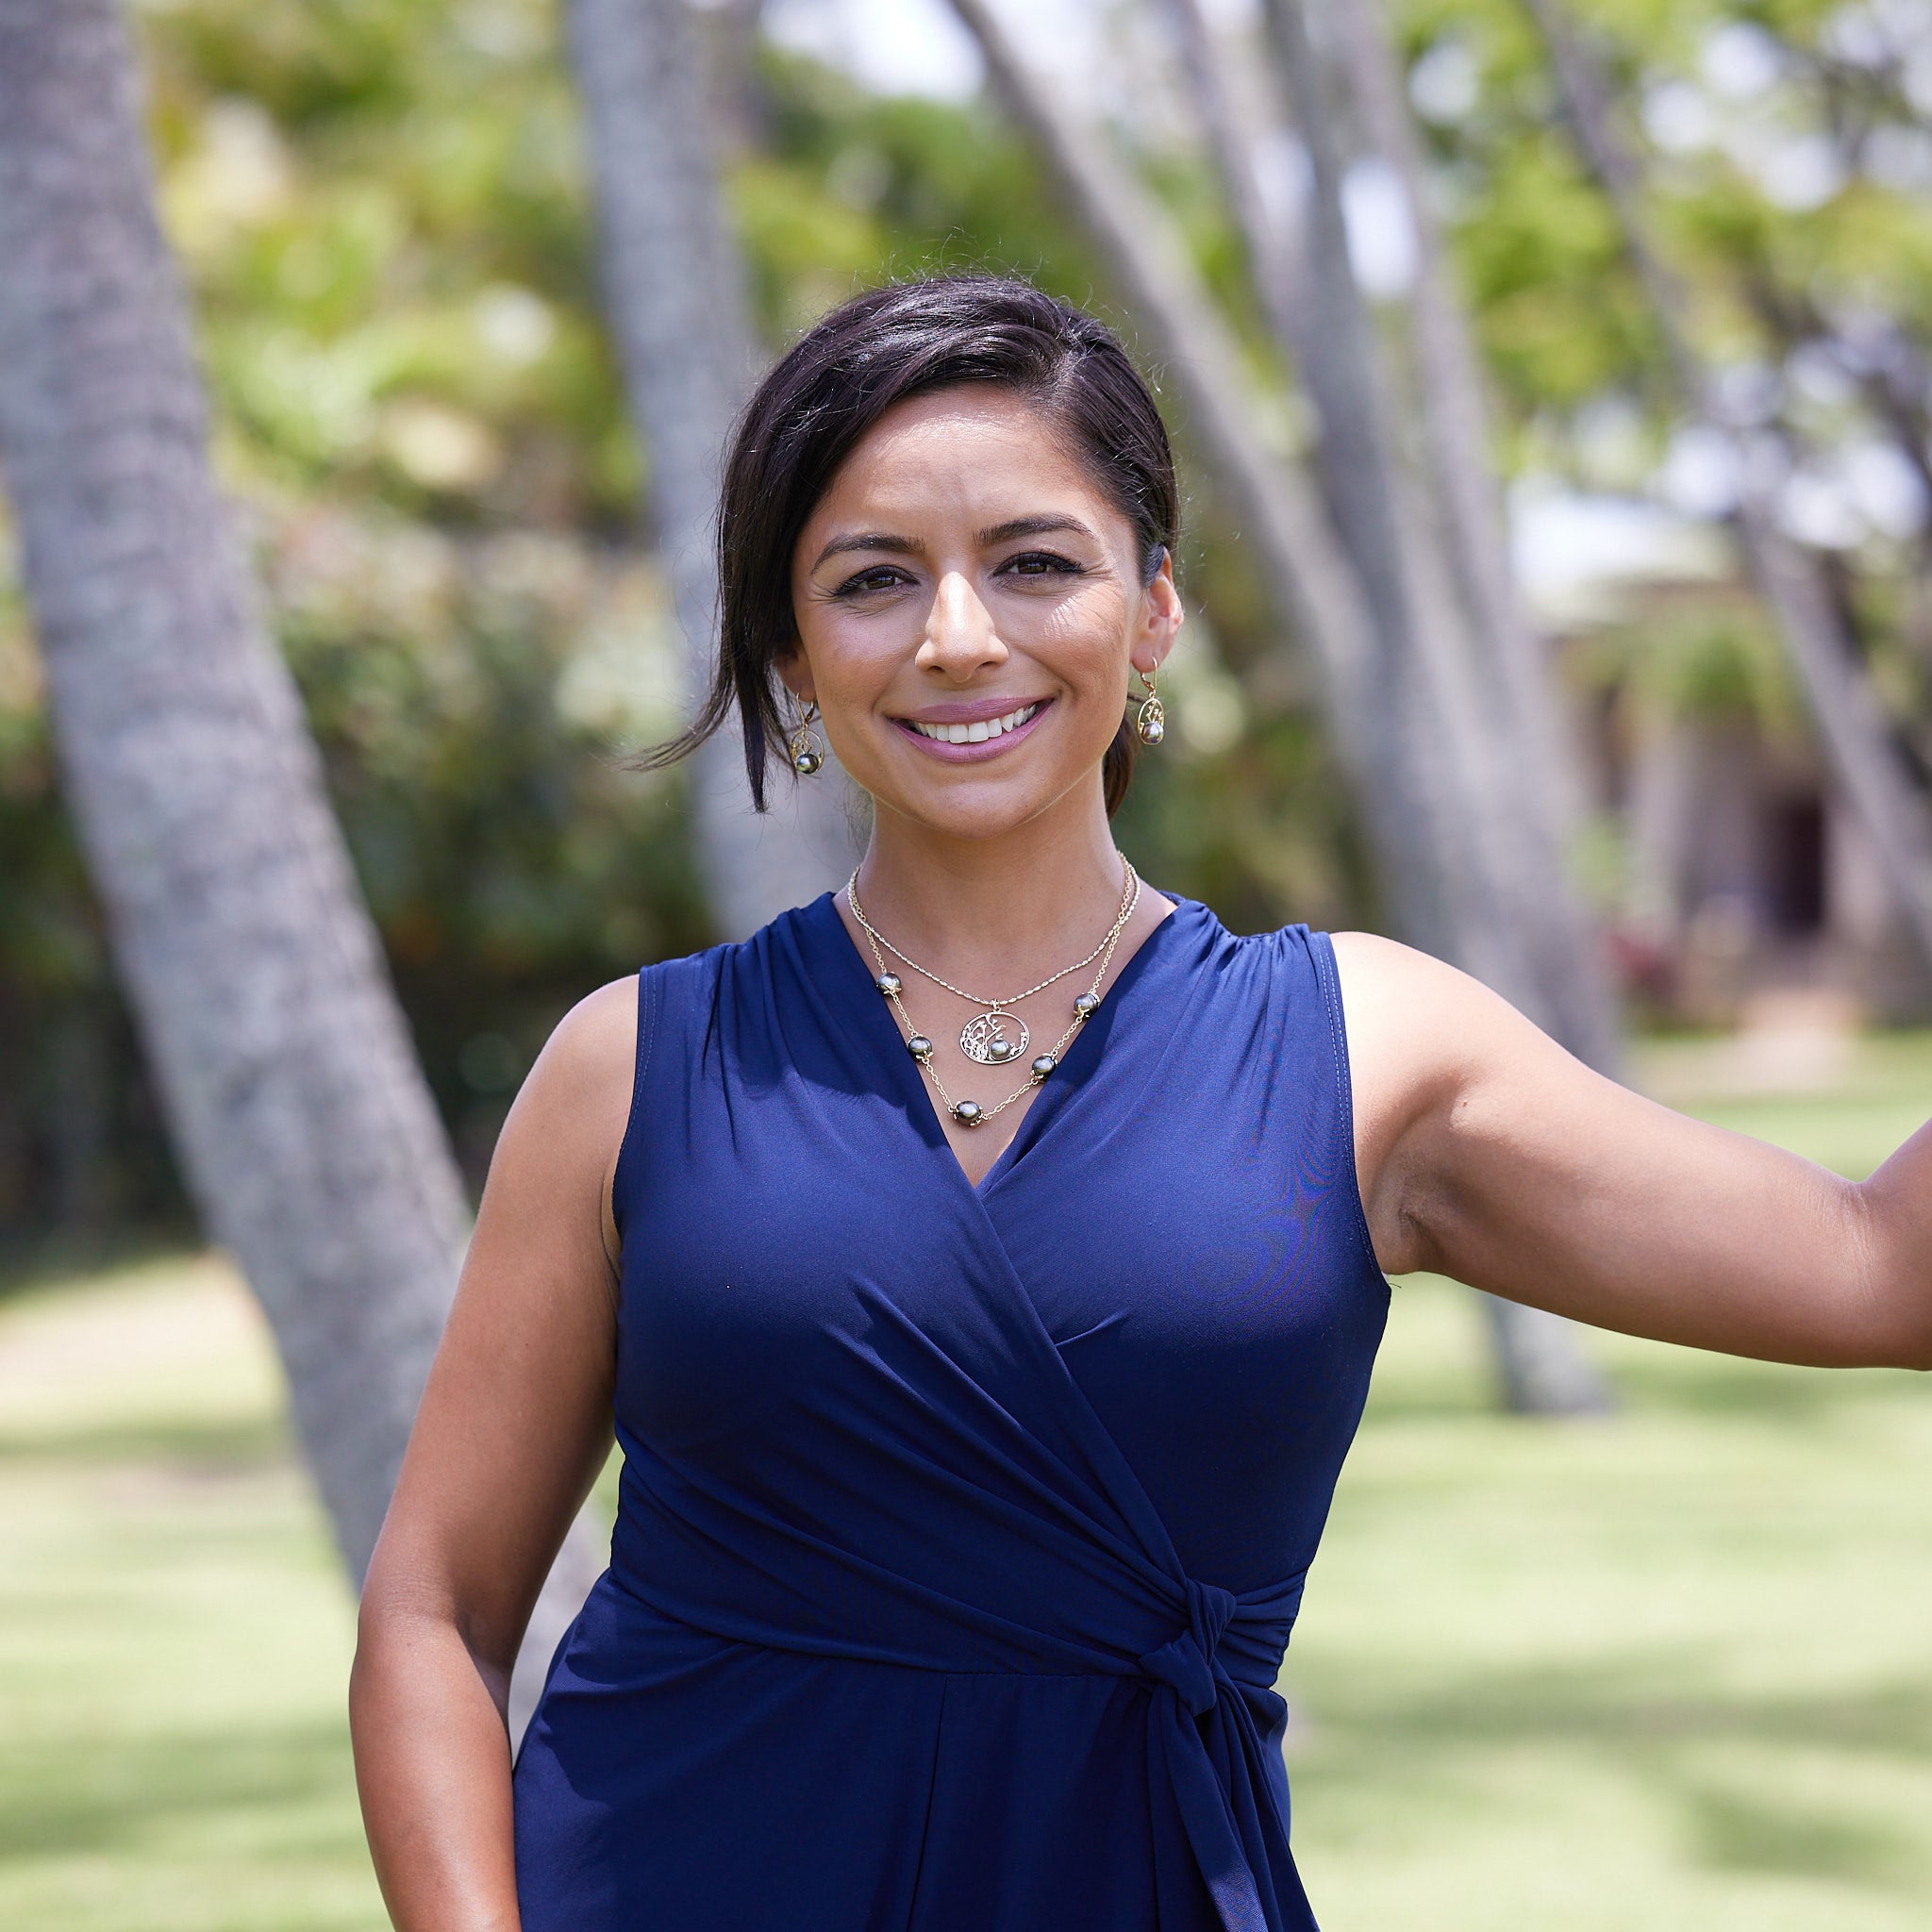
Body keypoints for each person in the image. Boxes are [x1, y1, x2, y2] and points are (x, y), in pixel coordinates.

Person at [347, 275, 1930, 1932]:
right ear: (792, 647)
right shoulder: (636, 1067)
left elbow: (1882, 1271)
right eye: (873, 579)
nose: (959, 635)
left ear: (1155, 606)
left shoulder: (1370, 1053)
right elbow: (437, 1611)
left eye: (1037, 563)